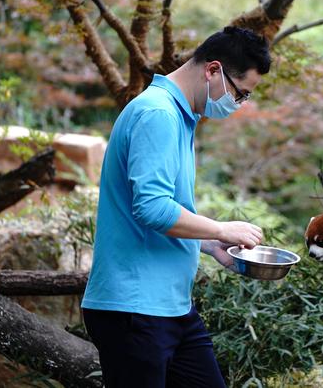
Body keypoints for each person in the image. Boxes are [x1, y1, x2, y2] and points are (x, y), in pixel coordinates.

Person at [81, 26, 271, 388]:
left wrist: (209, 244)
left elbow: (163, 213)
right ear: (213, 71)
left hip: (170, 309)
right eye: (240, 93)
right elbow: (151, 208)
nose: (239, 103)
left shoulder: (179, 116)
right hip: (134, 310)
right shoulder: (158, 115)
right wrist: (220, 228)